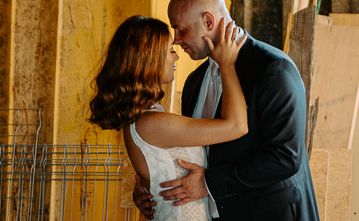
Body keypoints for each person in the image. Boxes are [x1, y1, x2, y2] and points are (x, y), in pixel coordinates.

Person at [133, 0, 319, 220]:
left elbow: (286, 157)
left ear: (208, 21)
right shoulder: (194, 82)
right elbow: (195, 155)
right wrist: (153, 192)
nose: (176, 41)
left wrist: (209, 183)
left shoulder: (274, 69)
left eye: (181, 30)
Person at [89, 15, 249, 221]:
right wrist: (227, 65)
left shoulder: (147, 118)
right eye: (171, 50)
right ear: (150, 59)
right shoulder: (152, 123)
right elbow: (237, 126)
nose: (176, 57)